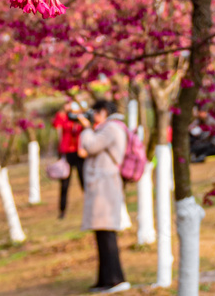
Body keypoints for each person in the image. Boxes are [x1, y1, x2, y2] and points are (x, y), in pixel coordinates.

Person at [78, 99, 131, 294]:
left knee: (107, 233)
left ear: (103, 112)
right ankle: (104, 279)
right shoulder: (110, 128)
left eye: (95, 112)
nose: (94, 116)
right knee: (101, 233)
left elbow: (90, 146)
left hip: (105, 186)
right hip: (102, 185)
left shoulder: (111, 129)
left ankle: (116, 279)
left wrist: (86, 128)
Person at [53, 100, 86, 218]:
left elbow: (88, 128)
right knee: (64, 184)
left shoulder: (81, 117)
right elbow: (56, 125)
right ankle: (62, 210)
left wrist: (80, 116)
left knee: (84, 181)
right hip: (66, 153)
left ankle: (89, 206)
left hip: (79, 153)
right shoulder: (63, 117)